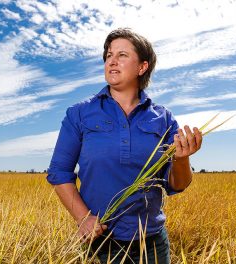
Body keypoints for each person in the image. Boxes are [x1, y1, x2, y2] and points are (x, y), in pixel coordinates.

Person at [47, 28, 202, 264]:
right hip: (99, 242)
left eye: (122, 55)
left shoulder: (163, 118)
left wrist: (182, 158)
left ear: (142, 67)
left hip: (151, 245)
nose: (112, 61)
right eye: (108, 55)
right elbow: (59, 174)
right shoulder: (79, 113)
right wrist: (83, 218)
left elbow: (176, 185)